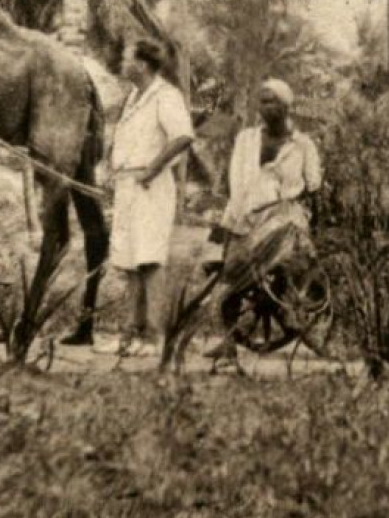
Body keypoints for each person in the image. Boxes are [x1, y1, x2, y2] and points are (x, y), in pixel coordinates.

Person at [206, 78, 324, 365]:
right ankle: (228, 341)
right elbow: (234, 179)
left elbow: (314, 184)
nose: (264, 107)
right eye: (262, 101)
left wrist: (287, 196)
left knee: (270, 251)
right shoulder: (246, 139)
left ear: (286, 107)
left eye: (271, 101)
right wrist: (226, 216)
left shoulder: (302, 145)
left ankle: (286, 306)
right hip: (244, 212)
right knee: (229, 273)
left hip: (282, 216)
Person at [102, 39, 194, 357]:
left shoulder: (165, 96)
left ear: (142, 65)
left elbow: (182, 136)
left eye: (126, 58)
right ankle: (131, 334)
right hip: (128, 185)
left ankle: (155, 337)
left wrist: (152, 170)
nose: (121, 63)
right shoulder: (133, 98)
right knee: (129, 261)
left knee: (150, 259)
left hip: (150, 186)